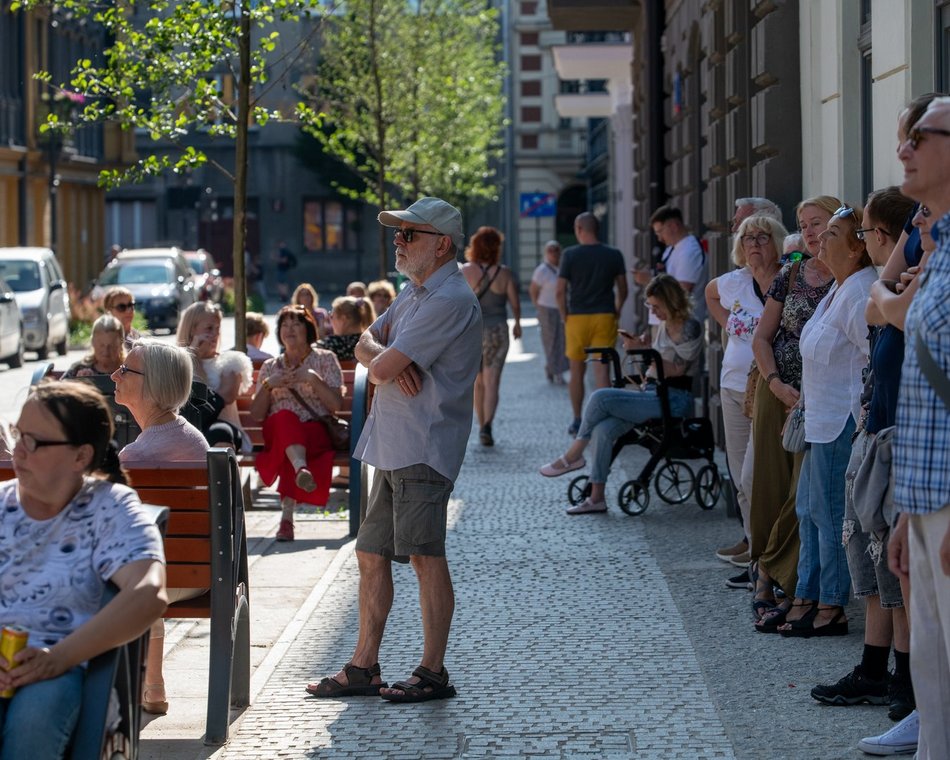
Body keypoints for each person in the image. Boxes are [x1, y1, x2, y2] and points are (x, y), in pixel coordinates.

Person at [307, 196, 481, 702]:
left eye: (410, 234)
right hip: (392, 443)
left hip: (425, 445)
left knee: (425, 556)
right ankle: (364, 667)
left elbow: (374, 366)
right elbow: (364, 344)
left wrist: (381, 362)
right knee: (369, 553)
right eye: (398, 234)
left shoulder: (449, 299)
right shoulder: (416, 292)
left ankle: (432, 672)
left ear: (442, 244)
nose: (398, 242)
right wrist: (384, 358)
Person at [0, 381, 166, 758]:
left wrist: (58, 657)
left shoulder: (107, 507)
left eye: (35, 442)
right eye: (17, 436)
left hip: (65, 668)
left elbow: (149, 593)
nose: (18, 451)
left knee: (34, 723)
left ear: (80, 456)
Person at [810, 187, 917, 720]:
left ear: (877, 239)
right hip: (872, 434)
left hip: (892, 435)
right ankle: (877, 670)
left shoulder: (874, 288)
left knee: (894, 572)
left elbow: (875, 321)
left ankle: (904, 681)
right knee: (871, 564)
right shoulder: (879, 283)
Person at [776, 203, 876, 637]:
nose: (820, 239)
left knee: (831, 514)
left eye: (832, 233)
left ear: (856, 248)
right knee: (810, 510)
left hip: (841, 420)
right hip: (818, 416)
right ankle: (807, 594)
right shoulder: (839, 288)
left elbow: (873, 360)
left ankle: (831, 604)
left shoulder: (858, 292)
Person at [888, 95, 950, 760]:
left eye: (917, 139)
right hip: (931, 497)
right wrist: (909, 510)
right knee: (934, 685)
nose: (902, 150)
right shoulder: (938, 251)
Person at [748, 195, 838, 629]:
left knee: (802, 491)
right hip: (777, 389)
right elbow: (762, 337)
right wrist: (776, 385)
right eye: (803, 225)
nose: (810, 232)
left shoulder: (849, 278)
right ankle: (765, 575)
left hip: (818, 399)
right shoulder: (791, 274)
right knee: (769, 483)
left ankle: (773, 570)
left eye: (818, 223)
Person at [539, 274, 702, 514]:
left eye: (656, 306)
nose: (653, 311)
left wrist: (643, 351)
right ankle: (596, 498)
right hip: (653, 393)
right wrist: (644, 348)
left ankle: (573, 455)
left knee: (600, 397)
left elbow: (677, 369)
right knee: (603, 430)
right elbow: (657, 365)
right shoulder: (664, 325)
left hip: (674, 398)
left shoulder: (689, 326)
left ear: (671, 302)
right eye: (650, 306)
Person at [112, 340, 209, 714]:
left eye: (125, 370)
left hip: (156, 580)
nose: (114, 375)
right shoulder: (195, 441)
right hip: (201, 573)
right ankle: (153, 686)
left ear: (151, 385)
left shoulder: (134, 457)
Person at [705, 215, 785, 569]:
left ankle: (769, 557)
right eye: (747, 237)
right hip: (733, 385)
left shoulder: (788, 280)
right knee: (740, 477)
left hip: (769, 390)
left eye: (762, 237)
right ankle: (756, 557)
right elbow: (709, 294)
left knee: (756, 476)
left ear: (777, 241)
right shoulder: (733, 282)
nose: (754, 243)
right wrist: (725, 322)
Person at [250, 305, 344, 542]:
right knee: (283, 419)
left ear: (308, 329)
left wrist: (313, 378)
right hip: (277, 429)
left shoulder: (325, 359)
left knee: (290, 443)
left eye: (296, 324)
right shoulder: (271, 366)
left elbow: (335, 406)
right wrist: (269, 384)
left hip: (315, 431)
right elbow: (257, 414)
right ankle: (301, 468)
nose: (289, 329)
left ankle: (287, 519)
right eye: (285, 324)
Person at [557, 212, 628, 435]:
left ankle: (577, 420)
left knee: (576, 371)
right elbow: (623, 288)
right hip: (604, 316)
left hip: (576, 317)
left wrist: (564, 314)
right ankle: (603, 418)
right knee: (602, 372)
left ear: (579, 229)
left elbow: (560, 291)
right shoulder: (614, 254)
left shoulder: (569, 255)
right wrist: (616, 309)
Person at [461, 226, 522, 446]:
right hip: (498, 331)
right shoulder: (504, 273)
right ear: (497, 247)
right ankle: (488, 425)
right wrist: (517, 324)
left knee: (478, 382)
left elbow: (457, 302)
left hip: (473, 332)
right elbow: (515, 303)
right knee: (493, 380)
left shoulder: (465, 271)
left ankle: (481, 424)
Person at [177, 302, 254, 453]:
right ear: (192, 330)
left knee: (218, 433)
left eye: (217, 328)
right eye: (209, 328)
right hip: (185, 425)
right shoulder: (176, 362)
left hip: (223, 426)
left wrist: (195, 361)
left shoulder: (231, 361)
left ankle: (221, 477)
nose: (215, 334)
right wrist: (191, 357)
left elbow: (225, 397)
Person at [636, 205, 707, 323]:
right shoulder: (673, 249)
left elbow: (682, 291)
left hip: (680, 325)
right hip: (668, 323)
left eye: (660, 232)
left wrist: (649, 280)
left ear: (673, 226)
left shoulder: (689, 251)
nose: (659, 239)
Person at [530, 240, 569, 385]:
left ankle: (555, 368)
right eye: (550, 250)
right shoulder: (542, 270)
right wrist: (538, 308)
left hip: (562, 308)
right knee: (551, 341)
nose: (554, 253)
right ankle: (555, 371)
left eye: (556, 249)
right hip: (547, 309)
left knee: (563, 341)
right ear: (546, 253)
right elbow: (533, 290)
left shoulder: (564, 267)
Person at [62, 314, 125, 378]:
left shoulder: (129, 371)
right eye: (101, 345)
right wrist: (79, 382)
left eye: (111, 346)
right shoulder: (78, 369)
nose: (106, 351)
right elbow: (59, 386)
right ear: (93, 342)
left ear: (120, 344)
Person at [317, 296, 376, 362]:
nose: (330, 320)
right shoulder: (372, 343)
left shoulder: (327, 345)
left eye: (331, 316)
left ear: (343, 318)